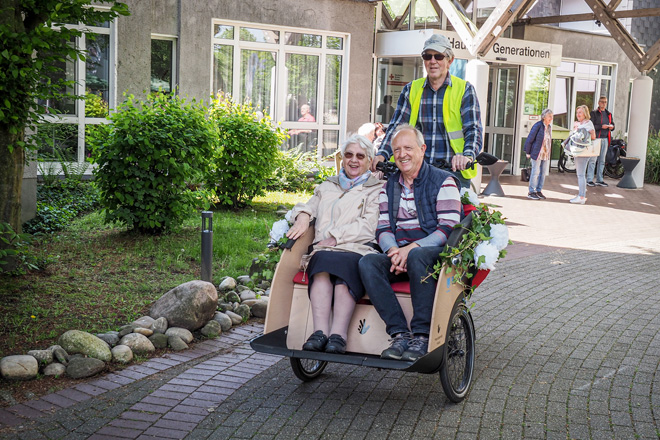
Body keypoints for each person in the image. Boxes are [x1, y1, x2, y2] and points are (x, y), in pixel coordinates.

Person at [359, 124, 462, 361]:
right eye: (396, 150)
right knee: (368, 263)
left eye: (408, 148)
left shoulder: (443, 181)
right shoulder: (390, 185)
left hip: (431, 255)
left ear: (422, 149)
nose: (402, 154)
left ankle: (423, 335)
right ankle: (399, 334)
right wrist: (394, 251)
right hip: (401, 254)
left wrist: (411, 249)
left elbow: (448, 228)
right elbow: (383, 227)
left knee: (417, 256)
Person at [286, 134, 382, 354]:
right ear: (342, 159)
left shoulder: (376, 189)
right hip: (324, 250)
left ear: (369, 161)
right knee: (321, 262)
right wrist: (302, 215)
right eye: (349, 155)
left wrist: (335, 237)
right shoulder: (328, 185)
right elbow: (309, 206)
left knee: (342, 269)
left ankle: (338, 335)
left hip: (357, 248)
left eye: (360, 156)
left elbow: (369, 225)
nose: (354, 160)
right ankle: (319, 333)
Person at [371, 34, 483, 188]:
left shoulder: (464, 90)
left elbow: (473, 129)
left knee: (453, 211)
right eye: (427, 56)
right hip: (417, 171)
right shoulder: (411, 89)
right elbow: (396, 128)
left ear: (449, 60)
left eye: (438, 56)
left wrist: (467, 156)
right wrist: (382, 154)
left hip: (453, 171)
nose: (432, 61)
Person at [568, 105, 596, 204]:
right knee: (580, 174)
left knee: (580, 175)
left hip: (583, 152)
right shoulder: (580, 123)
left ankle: (581, 196)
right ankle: (581, 195)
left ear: (585, 113)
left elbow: (593, 136)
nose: (578, 114)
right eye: (577, 113)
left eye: (580, 112)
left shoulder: (588, 123)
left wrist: (579, 130)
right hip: (578, 151)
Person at [524, 109, 553, 200]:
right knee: (535, 172)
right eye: (549, 116)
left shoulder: (549, 127)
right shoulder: (538, 126)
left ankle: (539, 190)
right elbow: (530, 139)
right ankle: (531, 191)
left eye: (552, 116)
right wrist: (528, 152)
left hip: (545, 154)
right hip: (537, 153)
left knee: (543, 173)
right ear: (544, 117)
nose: (551, 118)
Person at [587, 96, 615, 187]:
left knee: (602, 160)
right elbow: (591, 126)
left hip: (605, 139)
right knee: (593, 160)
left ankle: (600, 179)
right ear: (598, 103)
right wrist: (600, 127)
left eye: (605, 102)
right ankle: (589, 179)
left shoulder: (608, 114)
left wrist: (612, 127)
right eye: (602, 102)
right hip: (596, 138)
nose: (604, 103)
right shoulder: (594, 113)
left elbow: (613, 125)